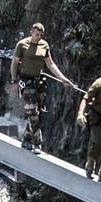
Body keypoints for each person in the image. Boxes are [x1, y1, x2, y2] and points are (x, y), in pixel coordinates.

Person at [10, 23, 72, 152]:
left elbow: (50, 64)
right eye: (37, 34)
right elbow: (14, 63)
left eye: (41, 35)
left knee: (35, 113)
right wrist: (14, 81)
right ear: (31, 32)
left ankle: (26, 139)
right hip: (25, 81)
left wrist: (63, 78)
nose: (38, 37)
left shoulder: (44, 45)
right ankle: (37, 143)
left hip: (39, 82)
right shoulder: (22, 44)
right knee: (31, 110)